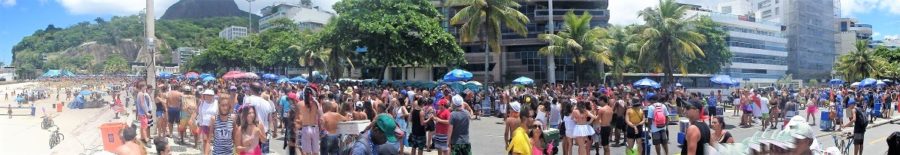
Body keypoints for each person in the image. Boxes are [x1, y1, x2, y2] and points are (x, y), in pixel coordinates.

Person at [244, 83, 274, 154]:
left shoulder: (248, 99)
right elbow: (270, 120)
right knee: (263, 153)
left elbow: (244, 115)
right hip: (264, 133)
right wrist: (272, 131)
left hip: (251, 132)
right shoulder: (267, 103)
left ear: (251, 90)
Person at [298, 86, 322, 155]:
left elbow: (297, 118)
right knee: (316, 151)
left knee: (307, 152)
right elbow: (321, 116)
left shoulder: (300, 104)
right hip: (315, 128)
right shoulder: (316, 104)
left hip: (305, 128)